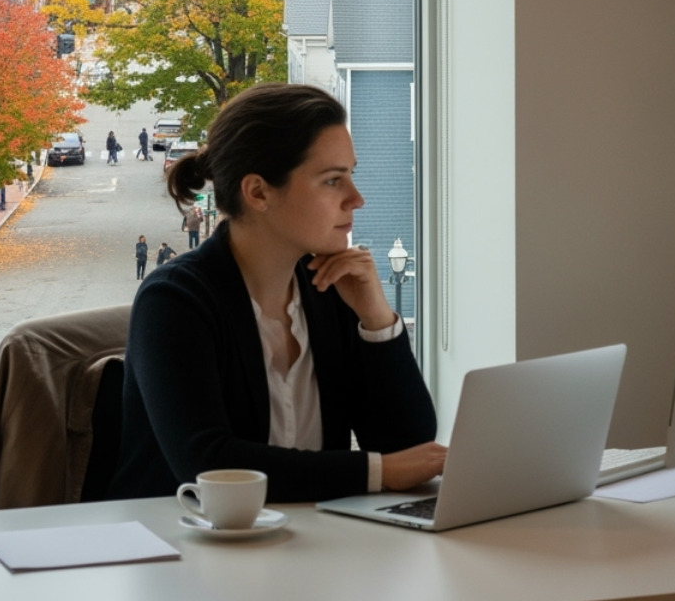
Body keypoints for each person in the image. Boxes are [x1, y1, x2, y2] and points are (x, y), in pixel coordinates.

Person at [107, 82, 444, 503]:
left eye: (350, 176)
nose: (356, 199)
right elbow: (209, 465)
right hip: (183, 537)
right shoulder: (173, 301)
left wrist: (377, 320)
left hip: (312, 534)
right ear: (259, 192)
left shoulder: (329, 289)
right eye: (332, 180)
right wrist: (378, 471)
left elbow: (409, 446)